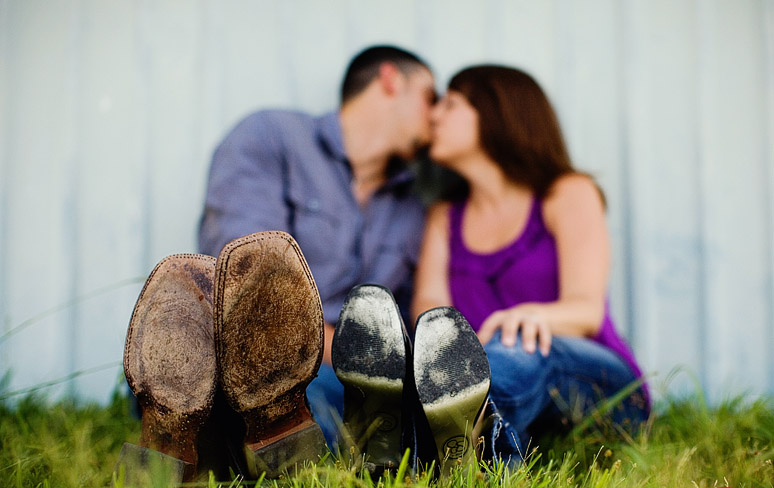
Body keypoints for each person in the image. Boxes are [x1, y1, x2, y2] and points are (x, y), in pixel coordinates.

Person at [197, 45, 437, 448]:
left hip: (356, 379)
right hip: (260, 358)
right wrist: (361, 361)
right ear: (391, 80)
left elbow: (408, 316)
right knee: (302, 394)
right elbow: (245, 283)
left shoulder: (415, 202)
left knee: (375, 411)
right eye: (431, 97)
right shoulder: (272, 137)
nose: (436, 115)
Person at [411, 65, 650, 461]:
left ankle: (455, 430)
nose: (434, 115)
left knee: (522, 348)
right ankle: (478, 453)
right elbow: (430, 313)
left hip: (594, 381)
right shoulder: (444, 216)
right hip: (495, 374)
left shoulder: (567, 194)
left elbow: (586, 311)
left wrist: (527, 318)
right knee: (467, 366)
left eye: (450, 104)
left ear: (497, 114)